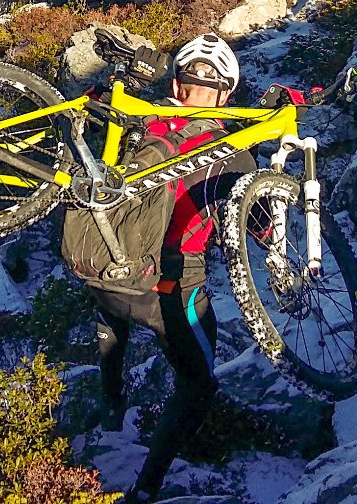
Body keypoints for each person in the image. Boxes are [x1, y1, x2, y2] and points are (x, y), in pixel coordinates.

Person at [88, 33, 255, 504]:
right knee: (199, 383)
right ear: (225, 95)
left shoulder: (140, 121)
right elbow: (258, 228)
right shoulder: (236, 152)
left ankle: (111, 402)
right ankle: (146, 489)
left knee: (114, 303)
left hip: (106, 270)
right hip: (171, 285)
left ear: (176, 85)